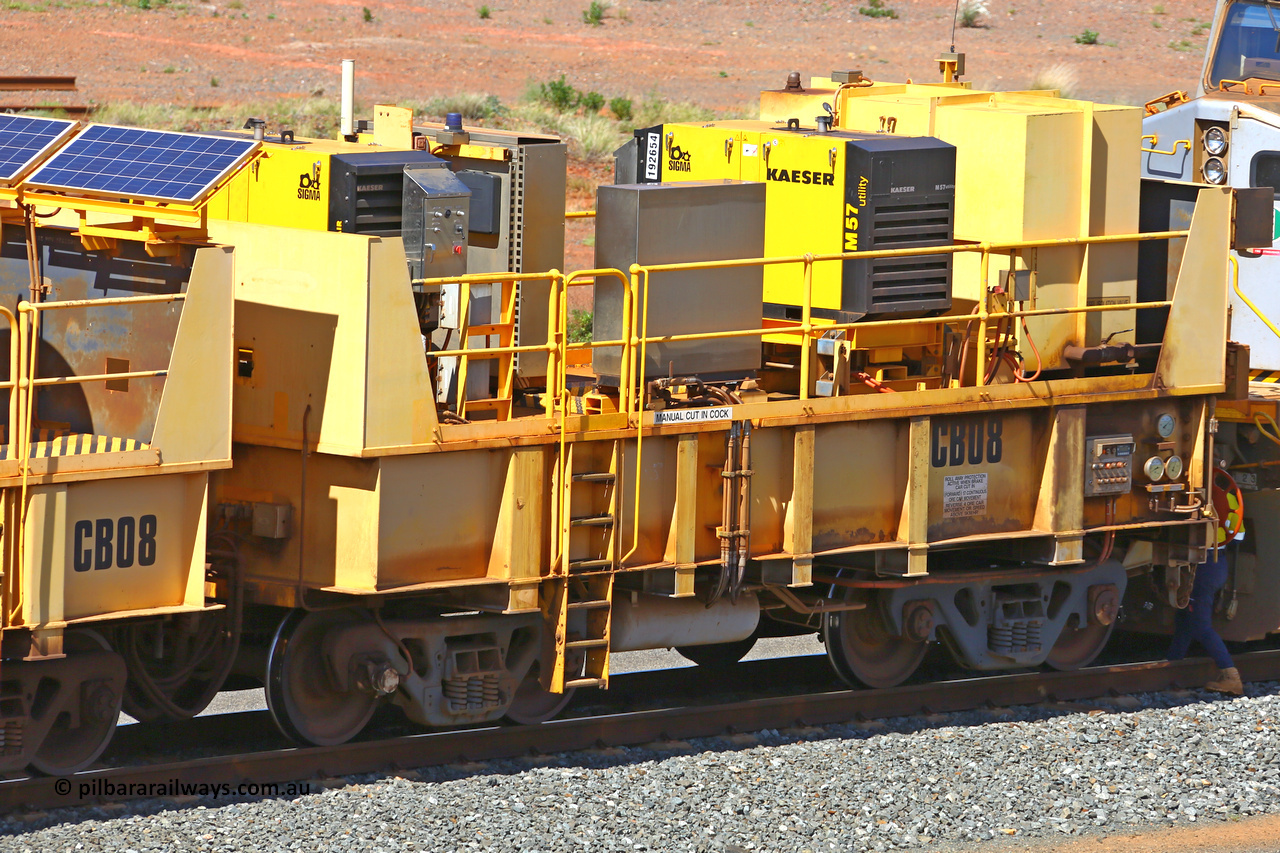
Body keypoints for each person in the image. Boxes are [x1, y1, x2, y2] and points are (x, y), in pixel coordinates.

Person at [1167, 475, 1243, 696]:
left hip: (1203, 568)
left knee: (1200, 625)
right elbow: (1238, 536)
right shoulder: (1229, 499)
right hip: (1217, 563)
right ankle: (1171, 667)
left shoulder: (1194, 499)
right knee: (1184, 620)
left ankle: (1231, 676)